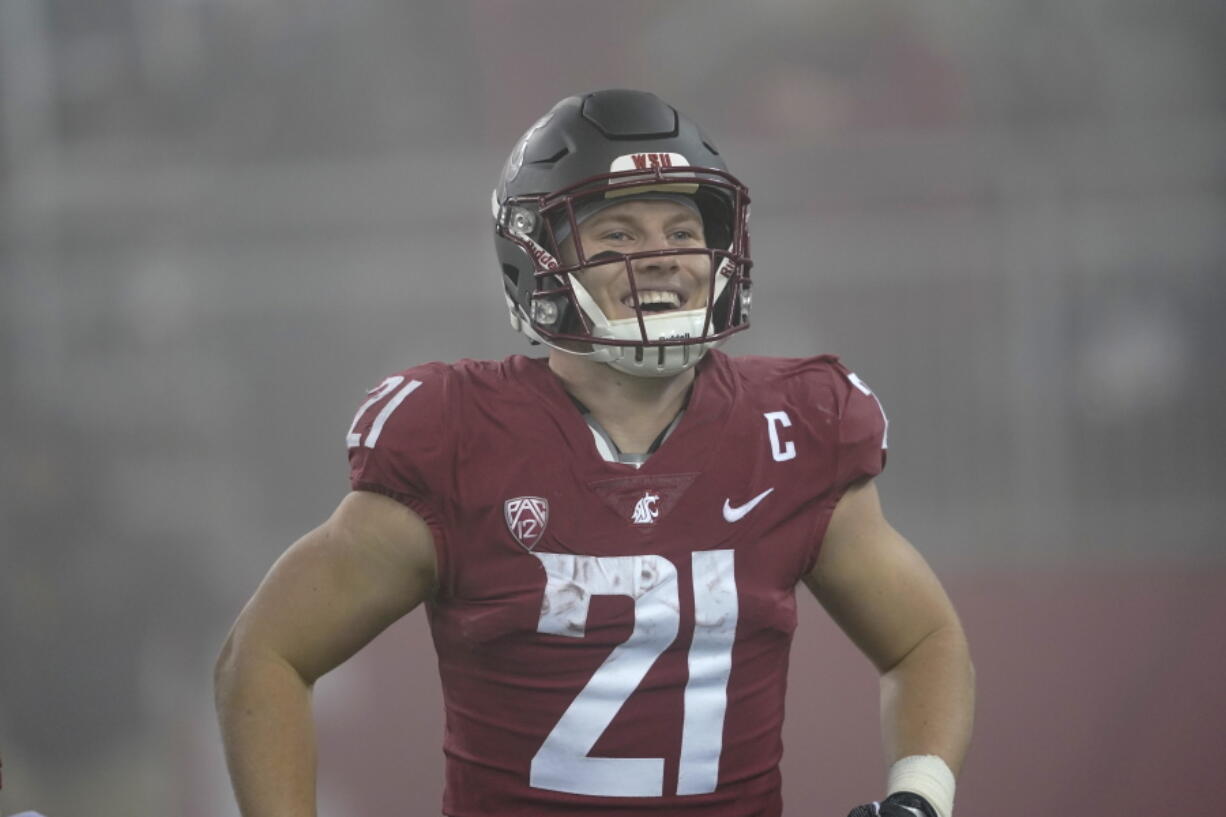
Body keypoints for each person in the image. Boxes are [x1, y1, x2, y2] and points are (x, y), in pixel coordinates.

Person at [214, 89, 974, 817]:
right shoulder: (458, 435)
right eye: (617, 236)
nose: (663, 258)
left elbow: (925, 639)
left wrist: (919, 795)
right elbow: (266, 653)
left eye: (683, 232)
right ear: (537, 260)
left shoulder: (792, 429)